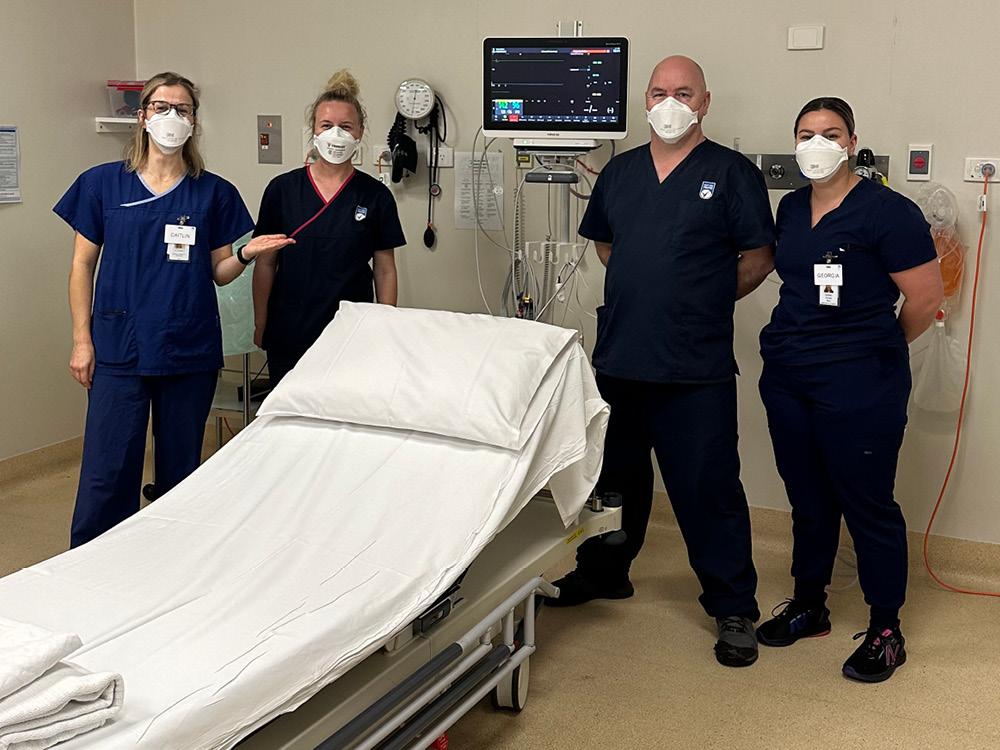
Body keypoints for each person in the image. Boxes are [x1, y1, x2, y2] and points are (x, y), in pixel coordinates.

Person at [548, 56, 776, 668]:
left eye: (683, 92)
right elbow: (605, 244)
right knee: (611, 481)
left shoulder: (730, 174)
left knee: (708, 488)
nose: (669, 102)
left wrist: (698, 297)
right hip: (621, 356)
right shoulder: (620, 174)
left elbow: (758, 255)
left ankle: (732, 605)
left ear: (704, 102)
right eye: (658, 92)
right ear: (644, 101)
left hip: (693, 365)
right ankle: (603, 572)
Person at [57, 72, 290, 548]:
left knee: (181, 469)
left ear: (194, 122)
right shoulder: (102, 185)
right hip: (118, 348)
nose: (171, 118)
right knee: (108, 468)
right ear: (142, 117)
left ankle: (171, 561)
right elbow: (82, 267)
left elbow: (217, 271)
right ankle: (93, 562)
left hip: (187, 348)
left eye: (181, 110)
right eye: (161, 107)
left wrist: (245, 256)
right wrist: (82, 339)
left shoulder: (213, 192)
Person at [755, 97, 942, 682]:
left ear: (852, 141)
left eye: (829, 133)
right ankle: (810, 604)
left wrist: (871, 353)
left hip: (861, 381)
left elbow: (926, 301)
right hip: (789, 376)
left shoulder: (889, 212)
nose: (817, 144)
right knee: (808, 499)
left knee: (867, 504)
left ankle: (886, 628)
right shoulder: (788, 209)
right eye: (806, 133)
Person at [252, 71, 405, 385]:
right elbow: (266, 263)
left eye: (346, 126)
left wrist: (385, 325)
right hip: (289, 328)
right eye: (327, 125)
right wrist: (260, 322)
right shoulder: (282, 190)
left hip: (352, 330)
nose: (336, 134)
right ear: (314, 131)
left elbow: (385, 268)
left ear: (360, 132)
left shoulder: (375, 196)